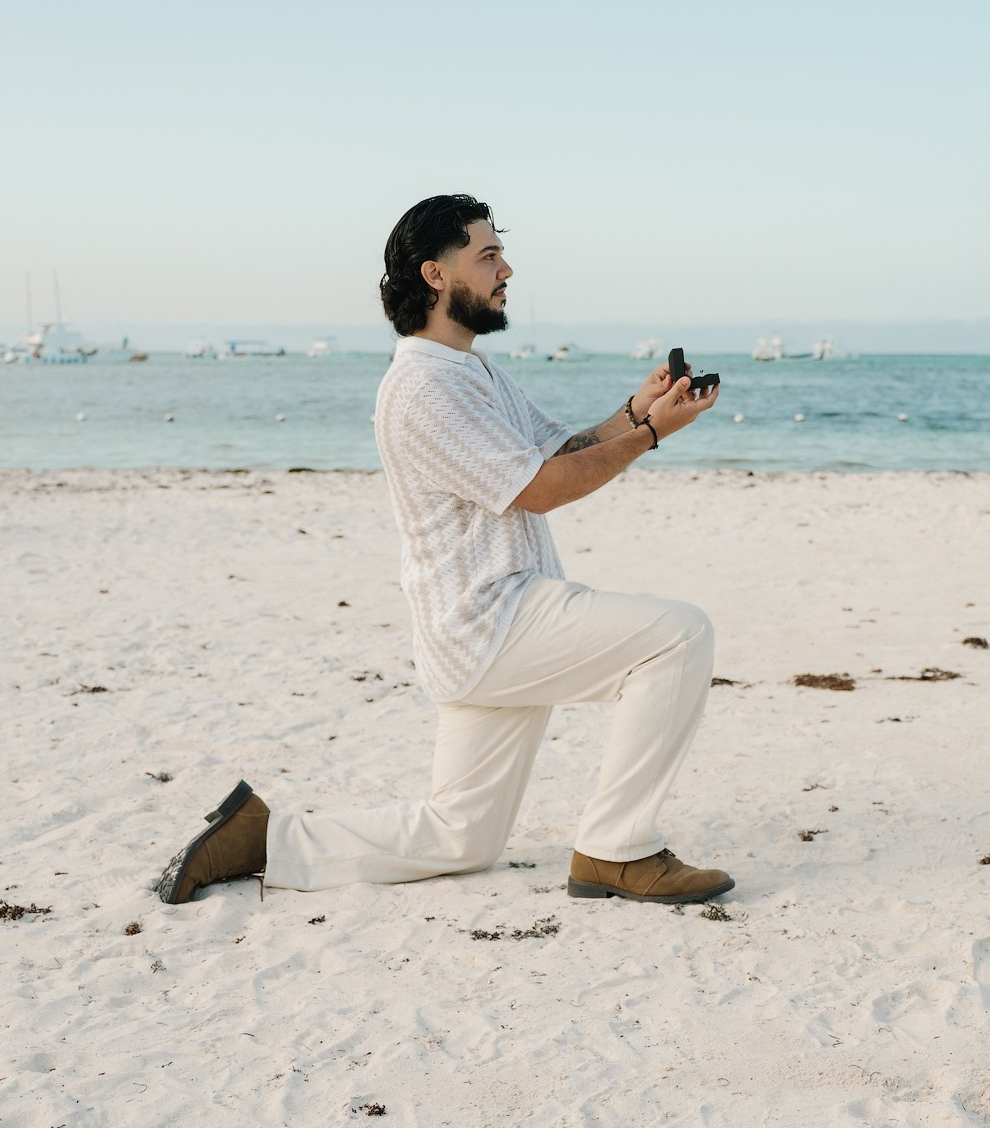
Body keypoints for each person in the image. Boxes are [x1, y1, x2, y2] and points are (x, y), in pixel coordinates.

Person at [157, 194, 735, 907]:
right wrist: (650, 438)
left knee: (459, 838)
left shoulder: (469, 370)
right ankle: (617, 851)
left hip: (480, 632)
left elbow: (560, 448)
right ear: (436, 275)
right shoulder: (424, 387)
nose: (507, 269)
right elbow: (544, 488)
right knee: (678, 636)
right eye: (488, 256)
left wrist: (635, 411)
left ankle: (260, 838)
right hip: (496, 621)